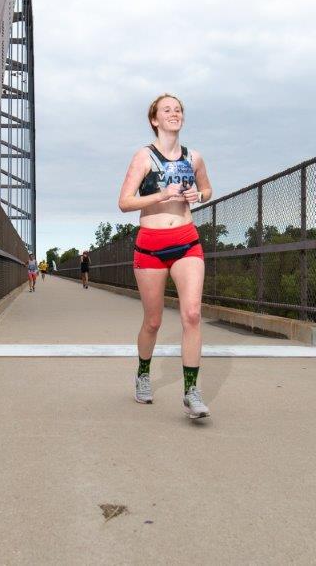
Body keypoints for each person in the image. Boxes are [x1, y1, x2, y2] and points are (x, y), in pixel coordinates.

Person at [117, 93, 213, 419]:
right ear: (154, 120)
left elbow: (208, 189)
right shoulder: (144, 156)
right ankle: (143, 373)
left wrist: (199, 195)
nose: (174, 113)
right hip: (151, 246)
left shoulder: (194, 157)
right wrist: (161, 194)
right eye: (167, 110)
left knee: (192, 315)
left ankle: (191, 392)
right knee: (153, 321)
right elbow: (124, 202)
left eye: (178, 109)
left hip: (187, 241)